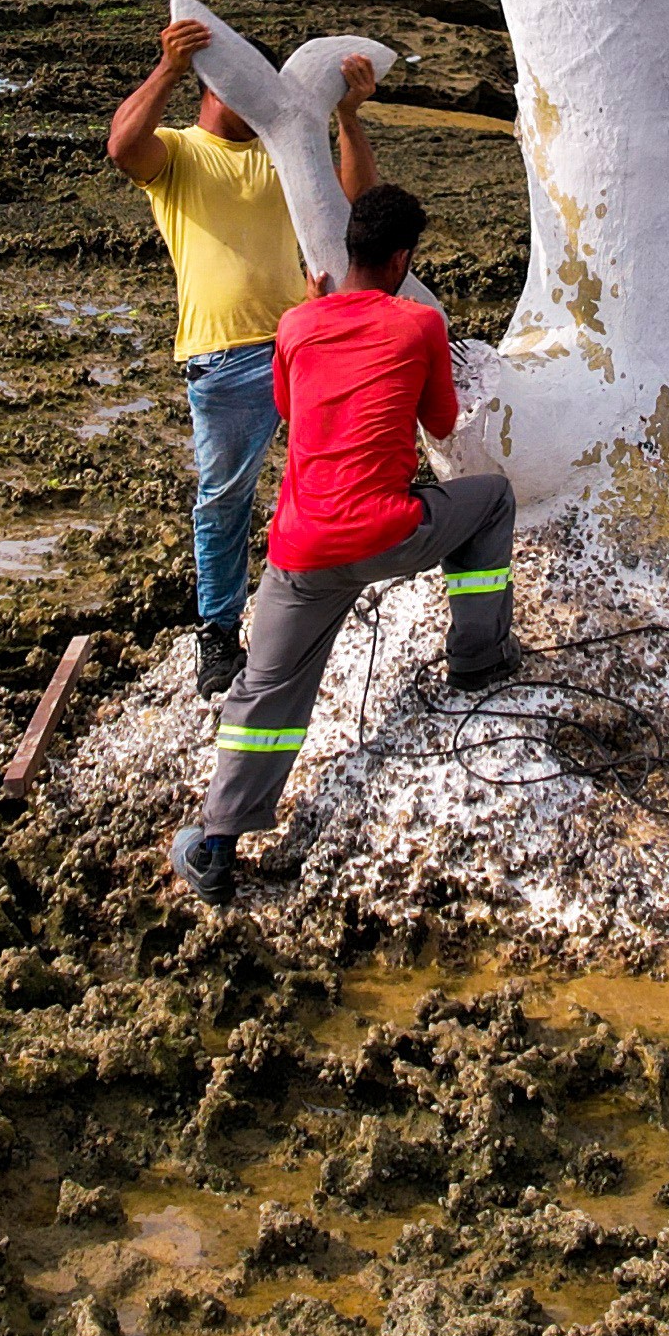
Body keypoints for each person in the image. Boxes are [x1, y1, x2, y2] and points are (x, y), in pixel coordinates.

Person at [174, 183, 520, 908]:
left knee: (266, 690)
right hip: (388, 531)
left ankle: (216, 843)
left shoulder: (295, 325)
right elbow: (444, 418)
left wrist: (315, 314)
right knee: (492, 503)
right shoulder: (420, 323)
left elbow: (290, 407)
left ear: (345, 253)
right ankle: (477, 659)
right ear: (400, 260)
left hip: (300, 551)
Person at [105, 14, 372, 691]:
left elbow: (358, 205)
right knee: (223, 500)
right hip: (222, 357)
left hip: (307, 342)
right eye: (237, 87)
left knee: (335, 480)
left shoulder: (285, 151)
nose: (250, 104)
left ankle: (337, 605)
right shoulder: (180, 154)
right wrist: (167, 67)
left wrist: (348, 118)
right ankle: (219, 633)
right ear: (213, 85)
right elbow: (121, 147)